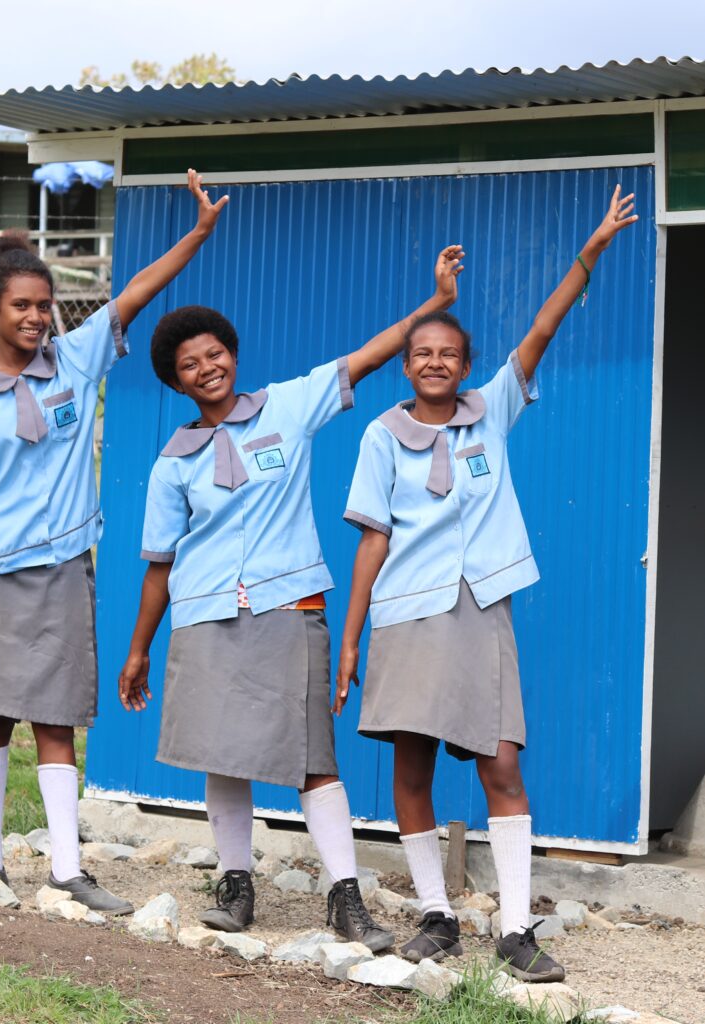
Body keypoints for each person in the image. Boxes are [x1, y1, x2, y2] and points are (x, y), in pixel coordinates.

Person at [117, 244, 465, 949]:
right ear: (174, 381)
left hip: (289, 608)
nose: (207, 368)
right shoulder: (171, 465)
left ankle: (344, 898)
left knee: (314, 758)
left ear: (232, 355)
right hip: (205, 616)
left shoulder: (288, 406)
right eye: (189, 364)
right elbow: (158, 565)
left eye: (214, 354)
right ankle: (236, 884)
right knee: (225, 754)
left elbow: (363, 359)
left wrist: (433, 306)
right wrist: (137, 649)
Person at [335, 185, 637, 980]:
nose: (434, 362)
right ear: (405, 365)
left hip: (479, 608)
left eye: (449, 354)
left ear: (466, 368)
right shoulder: (379, 436)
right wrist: (351, 636)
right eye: (421, 353)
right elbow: (370, 540)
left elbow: (541, 328)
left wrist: (592, 247)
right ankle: (436, 914)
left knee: (500, 763)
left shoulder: (490, 412)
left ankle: (513, 928)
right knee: (411, 767)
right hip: (404, 612)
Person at [0, 170, 227, 913]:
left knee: (58, 714)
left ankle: (66, 866)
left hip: (64, 569)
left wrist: (195, 234)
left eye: (44, 305)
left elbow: (135, 292)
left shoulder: (76, 358)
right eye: (21, 306)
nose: (36, 318)